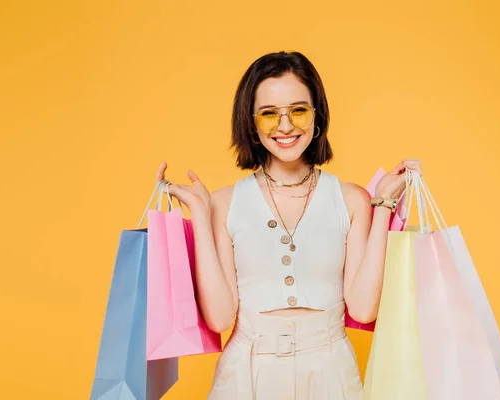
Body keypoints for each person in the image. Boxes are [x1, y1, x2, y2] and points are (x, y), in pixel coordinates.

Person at [157, 51, 422, 400]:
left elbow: (362, 308)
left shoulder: (352, 199)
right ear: (251, 123)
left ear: (317, 115)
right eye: (269, 114)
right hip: (246, 374)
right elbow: (221, 319)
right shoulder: (224, 202)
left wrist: (385, 204)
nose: (285, 127)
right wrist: (201, 217)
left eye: (298, 110)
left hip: (330, 373)